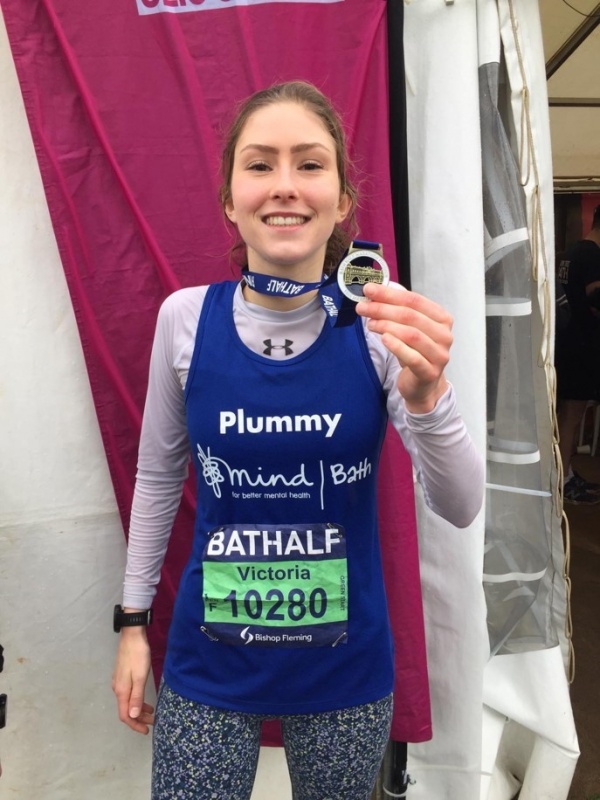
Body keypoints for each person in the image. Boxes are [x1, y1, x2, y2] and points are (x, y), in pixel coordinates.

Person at [112, 80, 484, 800]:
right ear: (229, 197)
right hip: (209, 660)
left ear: (344, 199)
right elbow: (158, 476)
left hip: (345, 667)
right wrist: (132, 626)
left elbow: (462, 505)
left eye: (310, 164)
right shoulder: (184, 320)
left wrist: (427, 396)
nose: (285, 186)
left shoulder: (383, 328)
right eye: (259, 164)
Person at [556, 204, 600, 505]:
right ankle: (563, 480)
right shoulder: (593, 255)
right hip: (582, 345)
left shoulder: (572, 251)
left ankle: (565, 472)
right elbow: (596, 299)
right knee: (572, 414)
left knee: (568, 413)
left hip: (568, 342)